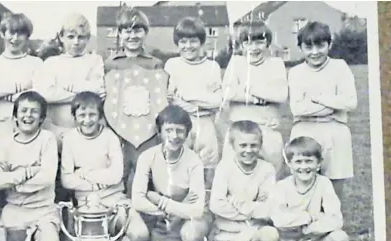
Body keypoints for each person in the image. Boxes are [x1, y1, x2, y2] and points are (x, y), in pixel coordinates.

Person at [60, 92, 149, 241]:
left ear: (100, 115)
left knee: (140, 234)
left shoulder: (110, 137)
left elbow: (116, 175)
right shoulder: (69, 138)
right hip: (86, 206)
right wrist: (97, 184)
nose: (87, 120)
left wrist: (85, 173)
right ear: (74, 116)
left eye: (92, 115)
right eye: (82, 115)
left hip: (115, 200)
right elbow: (67, 179)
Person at [132, 105, 212, 241]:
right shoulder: (147, 157)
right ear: (159, 132)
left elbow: (196, 209)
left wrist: (158, 200)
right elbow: (138, 200)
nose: (174, 136)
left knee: (190, 235)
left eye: (180, 131)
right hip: (163, 223)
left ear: (187, 133)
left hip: (188, 223)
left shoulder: (194, 161)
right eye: (169, 130)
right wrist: (168, 210)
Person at [0, 91, 61, 241]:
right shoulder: (6, 144)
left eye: (34, 112)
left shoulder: (47, 139)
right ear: (15, 116)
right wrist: (25, 173)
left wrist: (16, 184)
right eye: (23, 111)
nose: (28, 116)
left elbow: (47, 176)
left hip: (43, 210)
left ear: (42, 118)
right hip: (14, 209)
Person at [288, 21, 357, 202]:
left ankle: (333, 224)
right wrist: (333, 104)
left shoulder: (340, 67)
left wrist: (318, 98)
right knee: (304, 181)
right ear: (301, 48)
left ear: (329, 44)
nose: (315, 52)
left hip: (335, 129)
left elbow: (350, 102)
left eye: (320, 45)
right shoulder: (295, 72)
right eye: (308, 47)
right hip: (305, 129)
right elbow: (297, 108)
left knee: (334, 187)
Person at [104, 7, 164, 197]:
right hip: (118, 128)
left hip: (147, 130)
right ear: (120, 34)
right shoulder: (110, 64)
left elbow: (159, 99)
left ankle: (147, 217)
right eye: (127, 31)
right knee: (118, 171)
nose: (132, 36)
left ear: (145, 33)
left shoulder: (154, 64)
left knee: (146, 172)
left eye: (137, 30)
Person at [209, 120, 280, 241]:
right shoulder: (224, 168)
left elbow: (270, 210)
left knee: (270, 235)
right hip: (229, 236)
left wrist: (241, 204)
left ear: (260, 145)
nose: (249, 150)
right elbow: (216, 205)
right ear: (232, 145)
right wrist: (254, 208)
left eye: (253, 145)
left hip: (256, 231)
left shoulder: (267, 169)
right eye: (243, 145)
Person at [271, 136, 349, 241]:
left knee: (339, 238)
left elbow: (336, 220)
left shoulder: (324, 184)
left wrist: (310, 228)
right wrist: (308, 217)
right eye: (298, 162)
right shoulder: (281, 187)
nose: (304, 167)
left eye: (309, 161)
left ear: (319, 164)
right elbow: (278, 220)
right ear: (289, 164)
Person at [221, 21, 288, 177]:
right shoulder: (236, 62)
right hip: (239, 127)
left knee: (272, 175)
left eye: (260, 42)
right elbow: (228, 93)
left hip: (267, 128)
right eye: (248, 42)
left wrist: (249, 88)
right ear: (242, 44)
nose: (254, 47)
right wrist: (259, 99)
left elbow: (281, 95)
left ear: (268, 43)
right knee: (233, 174)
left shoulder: (276, 64)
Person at [164, 16, 223, 184]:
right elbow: (170, 99)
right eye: (183, 41)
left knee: (207, 169)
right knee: (177, 169)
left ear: (201, 42)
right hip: (180, 124)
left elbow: (217, 101)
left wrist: (188, 96)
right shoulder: (172, 64)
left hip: (205, 125)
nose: (188, 46)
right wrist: (200, 104)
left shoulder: (212, 67)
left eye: (193, 41)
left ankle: (205, 207)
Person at [34, 13, 105, 149]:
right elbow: (47, 94)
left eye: (81, 37)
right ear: (61, 37)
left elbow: (98, 89)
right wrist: (82, 93)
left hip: (88, 129)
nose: (76, 42)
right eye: (71, 37)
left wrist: (67, 87)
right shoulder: (51, 63)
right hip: (56, 129)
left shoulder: (94, 60)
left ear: (88, 38)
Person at [0, 12, 43, 163]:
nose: (15, 39)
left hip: (28, 127)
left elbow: (39, 93)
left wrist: (5, 94)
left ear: (27, 37)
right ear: (3, 33)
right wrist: (21, 89)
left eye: (20, 34)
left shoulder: (36, 63)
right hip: (1, 125)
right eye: (11, 33)